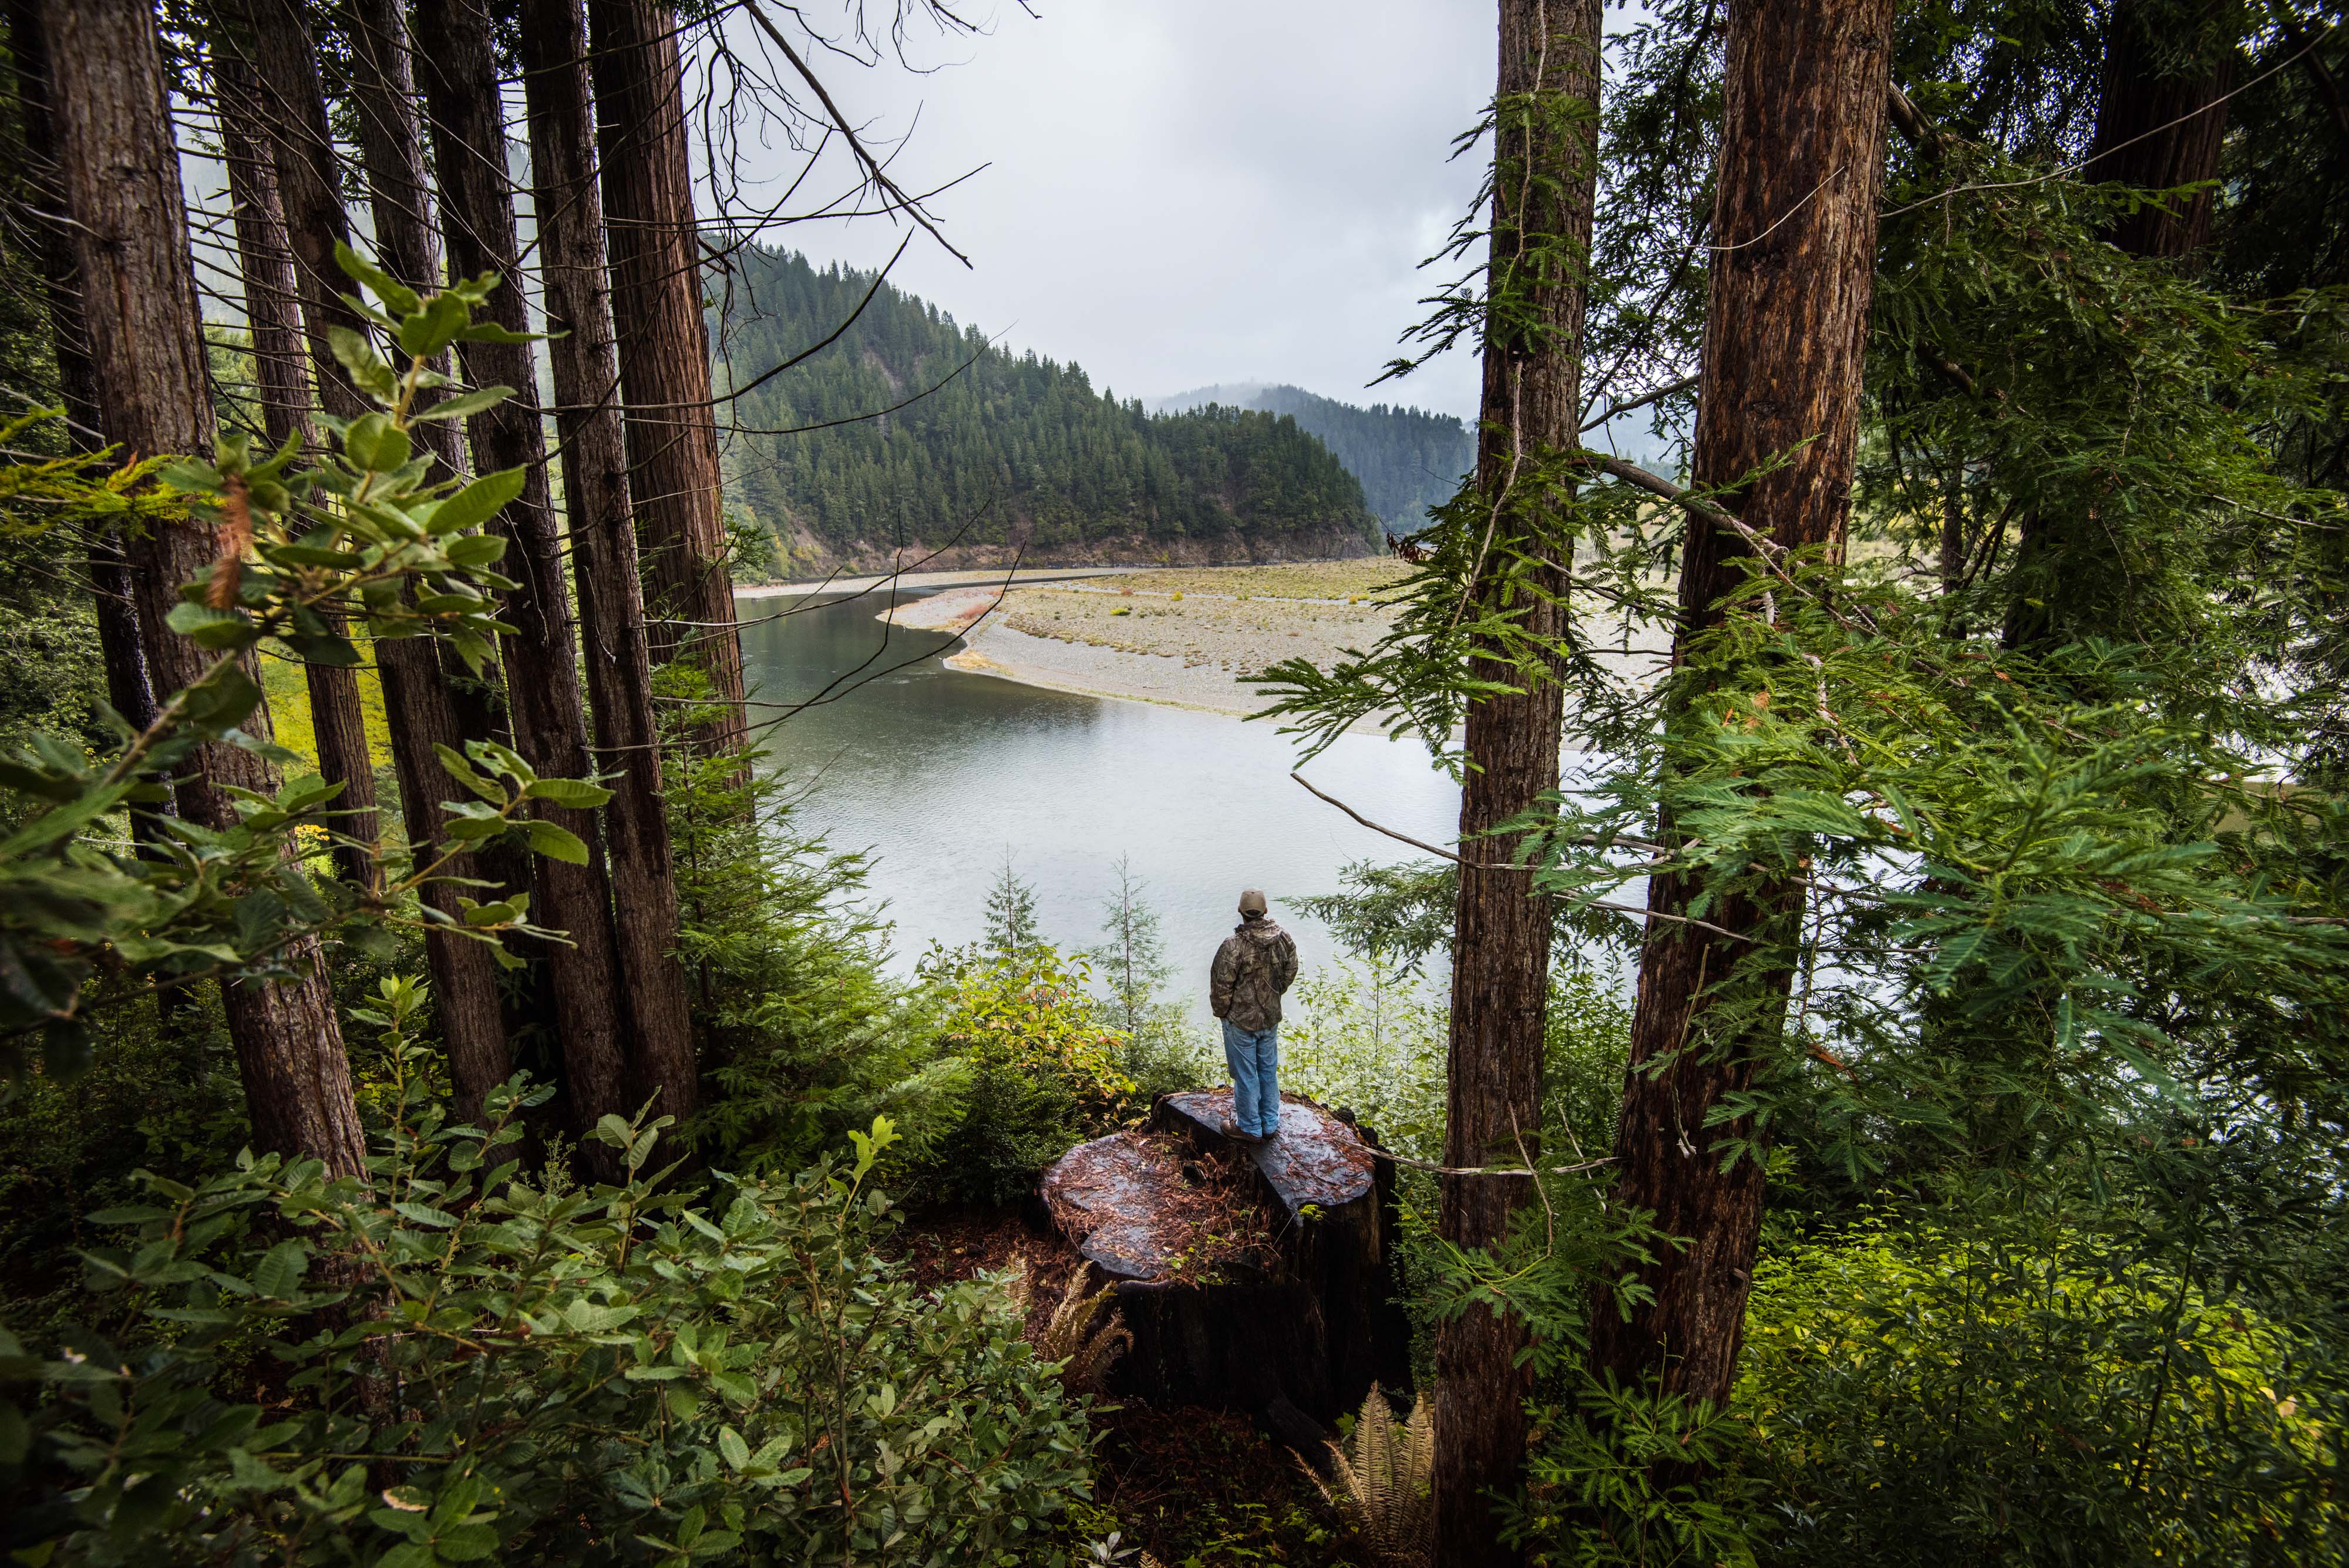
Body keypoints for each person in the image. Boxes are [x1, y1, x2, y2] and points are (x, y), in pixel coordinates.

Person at [1209, 887, 1299, 1142]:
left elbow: (1221, 985)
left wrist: (1224, 1014)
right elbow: (1290, 970)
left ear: (1240, 912)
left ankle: (1249, 1127)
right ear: (1265, 911)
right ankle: (1270, 1124)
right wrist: (1275, 994)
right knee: (1268, 1070)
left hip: (1240, 1022)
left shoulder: (1233, 946)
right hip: (1269, 1019)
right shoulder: (1284, 940)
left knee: (1246, 1074)